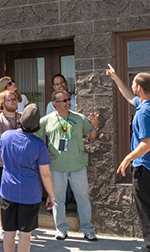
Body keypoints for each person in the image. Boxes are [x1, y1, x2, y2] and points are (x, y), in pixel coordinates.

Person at [107, 64, 150, 252]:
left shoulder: (144, 113)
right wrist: (116, 78)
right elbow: (129, 97)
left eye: (133, 83)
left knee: (148, 210)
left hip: (146, 168)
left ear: (139, 88)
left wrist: (127, 158)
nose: (132, 86)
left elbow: (148, 142)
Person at [35, 89, 100, 241]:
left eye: (68, 99)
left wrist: (95, 126)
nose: (68, 102)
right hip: (56, 167)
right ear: (54, 104)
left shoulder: (79, 118)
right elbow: (35, 137)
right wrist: (43, 151)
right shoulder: (46, 120)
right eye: (64, 100)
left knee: (83, 198)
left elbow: (91, 137)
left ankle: (88, 229)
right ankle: (61, 229)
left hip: (77, 166)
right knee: (58, 200)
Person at [0, 104, 55, 252]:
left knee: (8, 231)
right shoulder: (39, 145)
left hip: (7, 191)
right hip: (30, 194)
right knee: (25, 233)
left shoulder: (6, 136)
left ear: (20, 119)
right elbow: (45, 174)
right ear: (37, 125)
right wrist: (51, 195)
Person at [0, 89, 19, 242]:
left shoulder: (21, 118)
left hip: (21, 166)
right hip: (3, 166)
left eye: (14, 99)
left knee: (19, 197)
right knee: (2, 199)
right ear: (2, 103)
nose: (14, 101)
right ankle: (2, 228)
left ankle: (20, 227)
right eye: (10, 99)